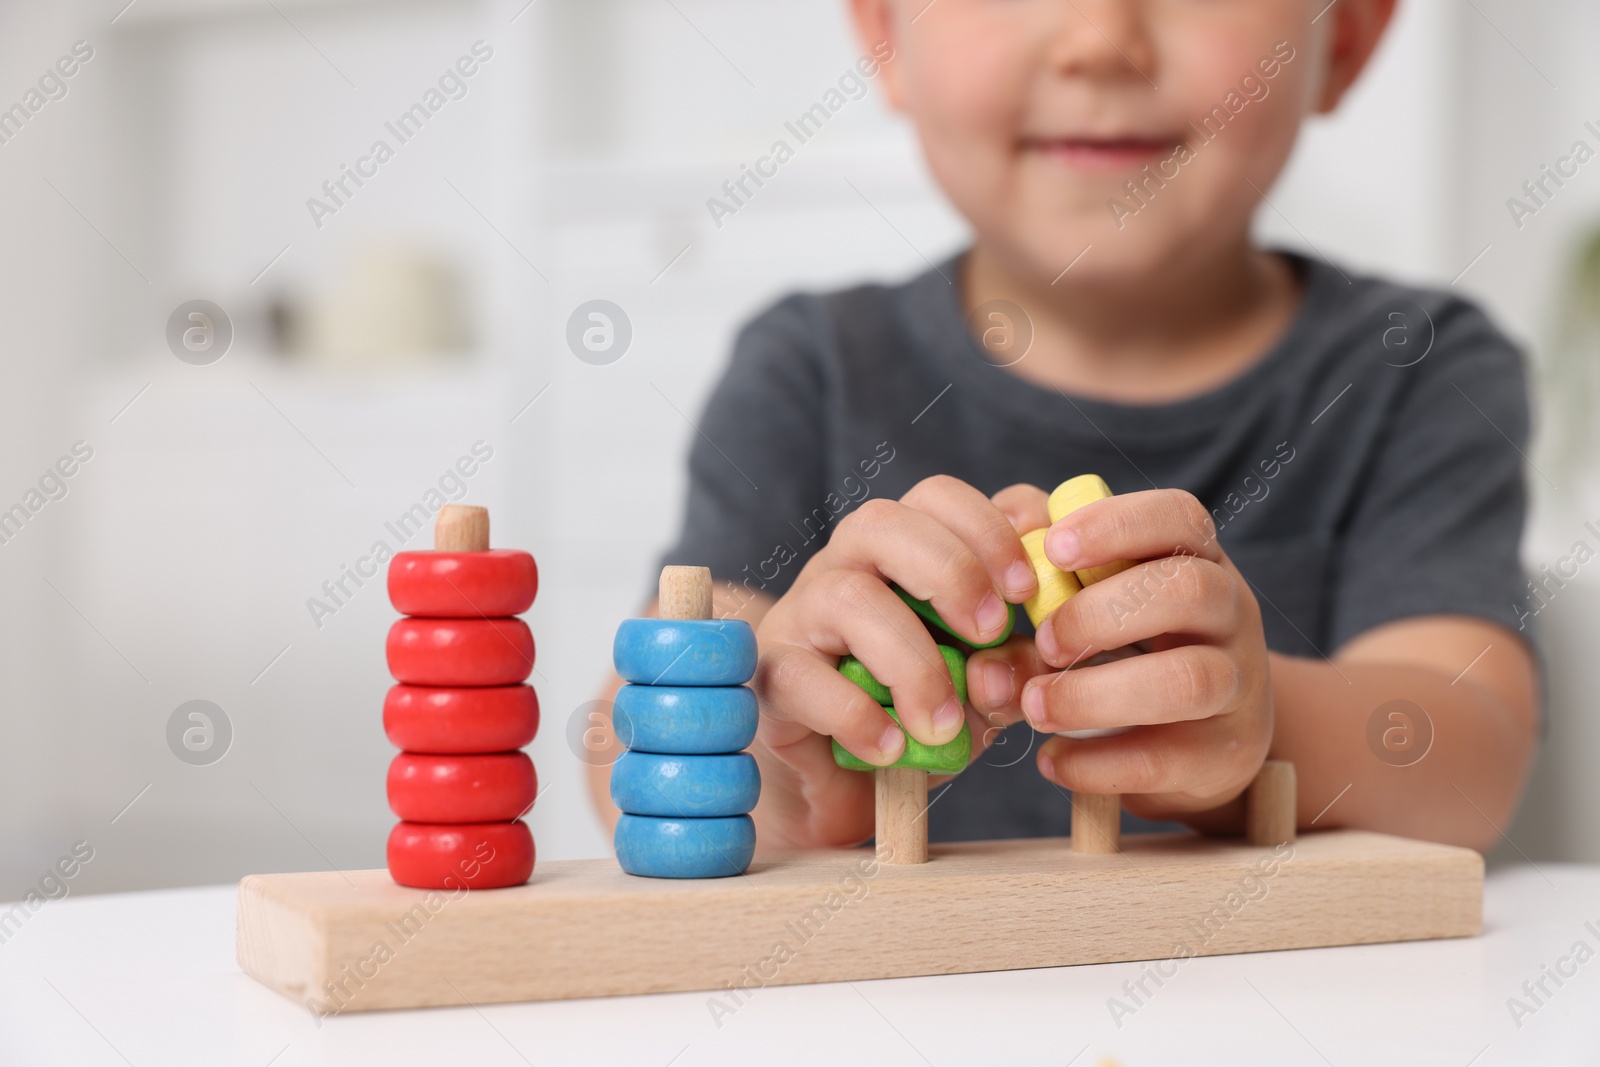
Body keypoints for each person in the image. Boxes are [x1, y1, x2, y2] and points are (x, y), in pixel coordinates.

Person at [586, 0, 1539, 854]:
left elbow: (1470, 754)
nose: (1100, 38)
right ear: (886, 35)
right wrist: (776, 765)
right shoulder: (806, 367)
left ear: (1352, 36)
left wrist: (1262, 723)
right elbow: (623, 739)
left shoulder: (1414, 365)